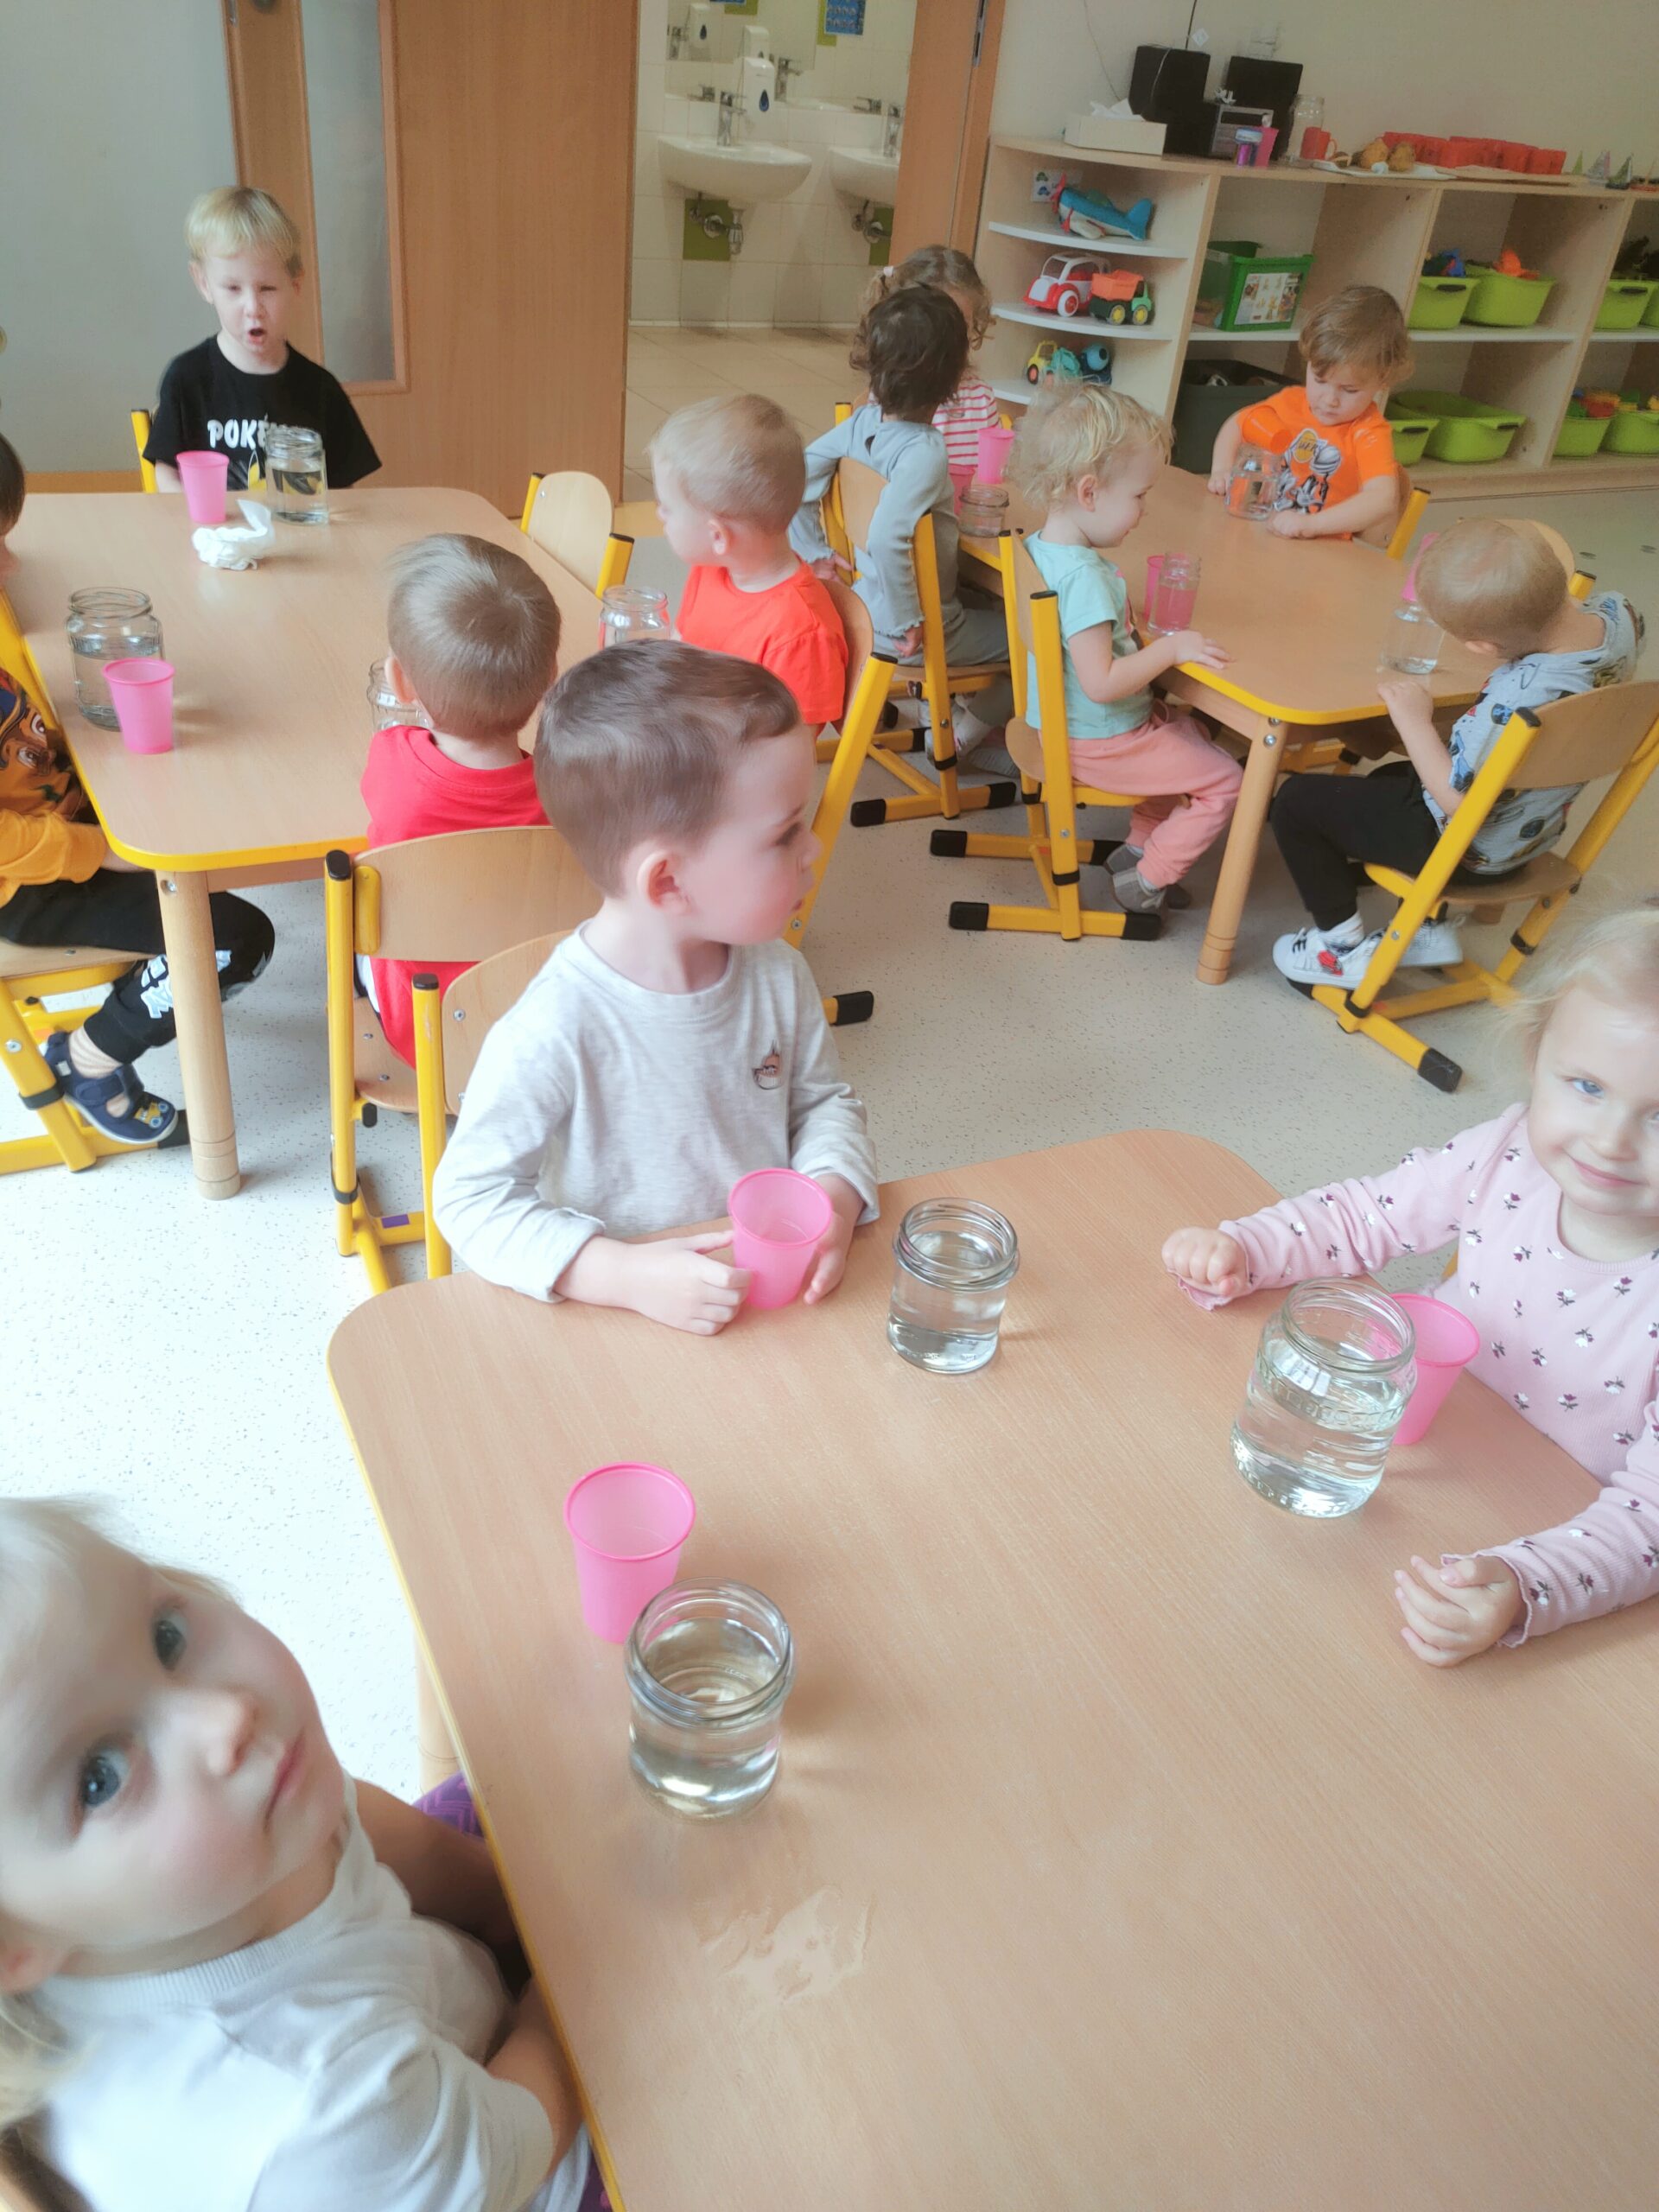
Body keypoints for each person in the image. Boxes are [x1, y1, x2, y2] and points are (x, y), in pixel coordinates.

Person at [0, 1497, 598, 2209]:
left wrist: (510, 1898)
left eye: (166, 1638)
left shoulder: (254, 1823)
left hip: (442, 2055)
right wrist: (579, 1978)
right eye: (101, 1777)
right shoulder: (312, 2113)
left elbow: (373, 1826)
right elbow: (512, 2145)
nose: (228, 1715)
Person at [1163, 904, 1659, 1668]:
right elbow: (1364, 1216)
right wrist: (1249, 1247)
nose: (1610, 1141)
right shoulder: (1507, 1151)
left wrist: (1527, 1585)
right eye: (1587, 1086)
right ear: (1537, 1057)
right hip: (1411, 1450)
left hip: (1540, 1523)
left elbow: (1648, 1523)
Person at [432, 643, 877, 1325]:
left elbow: (822, 1105)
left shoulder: (777, 973)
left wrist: (834, 1196)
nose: (813, 849)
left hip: (770, 1313)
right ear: (668, 882)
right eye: (786, 833)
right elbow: (470, 1200)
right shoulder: (555, 1027)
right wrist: (620, 1275)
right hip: (622, 1326)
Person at [0, 434, 272, 1147]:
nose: (10, 565)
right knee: (234, 939)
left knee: (210, 795)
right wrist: (102, 849)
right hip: (24, 882)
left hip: (59, 810)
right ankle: (88, 1060)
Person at [1269, 518, 1642, 986]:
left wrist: (1414, 722)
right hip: (1530, 837)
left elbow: (1456, 802)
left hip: (1468, 855)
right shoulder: (1620, 616)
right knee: (1391, 781)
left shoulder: (1516, 704)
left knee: (1296, 802)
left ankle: (1339, 949)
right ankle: (1429, 927)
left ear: (1482, 646)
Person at [1007, 385, 1241, 918]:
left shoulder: (1038, 549)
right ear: (1089, 493)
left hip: (1065, 725)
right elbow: (1102, 683)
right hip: (1097, 741)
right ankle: (1147, 878)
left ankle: (1136, 849)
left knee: (1191, 731)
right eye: (1138, 496)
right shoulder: (1084, 579)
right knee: (1227, 780)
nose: (1143, 510)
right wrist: (1172, 650)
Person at [360, 534, 562, 1066]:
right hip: (542, 1021)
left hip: (425, 1031)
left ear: (400, 683)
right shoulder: (568, 790)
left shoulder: (392, 761)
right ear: (549, 679)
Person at [790, 287, 1013, 765]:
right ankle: (962, 735)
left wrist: (813, 550)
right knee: (1044, 633)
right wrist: (908, 618)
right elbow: (887, 536)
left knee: (993, 601)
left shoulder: (861, 423)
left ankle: (951, 707)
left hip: (863, 605)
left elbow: (800, 473)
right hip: (916, 629)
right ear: (953, 380)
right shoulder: (925, 453)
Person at [144, 188, 379, 496]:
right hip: (211, 527)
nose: (253, 307)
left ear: (295, 285)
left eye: (267, 288)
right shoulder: (187, 378)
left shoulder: (320, 389)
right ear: (204, 283)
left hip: (294, 526)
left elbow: (343, 491)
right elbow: (166, 473)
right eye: (233, 288)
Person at [650, 394, 847, 728]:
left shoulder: (800, 636)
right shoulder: (710, 571)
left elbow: (789, 751)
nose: (659, 515)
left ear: (718, 537)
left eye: (667, 508)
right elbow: (684, 652)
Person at [1207, 285, 1412, 541]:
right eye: (1320, 380)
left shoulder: (1368, 432)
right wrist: (1221, 469)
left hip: (1321, 549)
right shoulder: (1291, 403)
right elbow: (1238, 423)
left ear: (1383, 380)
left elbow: (1381, 500)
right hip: (1265, 533)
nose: (1329, 400)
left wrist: (1312, 524)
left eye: (1349, 390)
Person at [866, 246, 1001, 482]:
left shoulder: (982, 398)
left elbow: (993, 476)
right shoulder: (892, 392)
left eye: (960, 325)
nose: (949, 339)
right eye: (937, 325)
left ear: (974, 326)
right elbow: (872, 472)